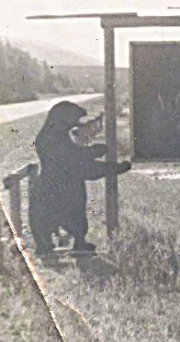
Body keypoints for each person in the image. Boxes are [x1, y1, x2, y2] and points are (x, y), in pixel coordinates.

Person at [28, 101, 130, 256]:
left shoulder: (50, 135)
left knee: (54, 217)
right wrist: (108, 163)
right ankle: (55, 244)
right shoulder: (52, 137)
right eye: (74, 120)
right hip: (61, 188)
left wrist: (95, 154)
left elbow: (73, 157)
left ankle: (65, 243)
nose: (76, 124)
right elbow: (76, 162)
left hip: (51, 186)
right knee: (67, 214)